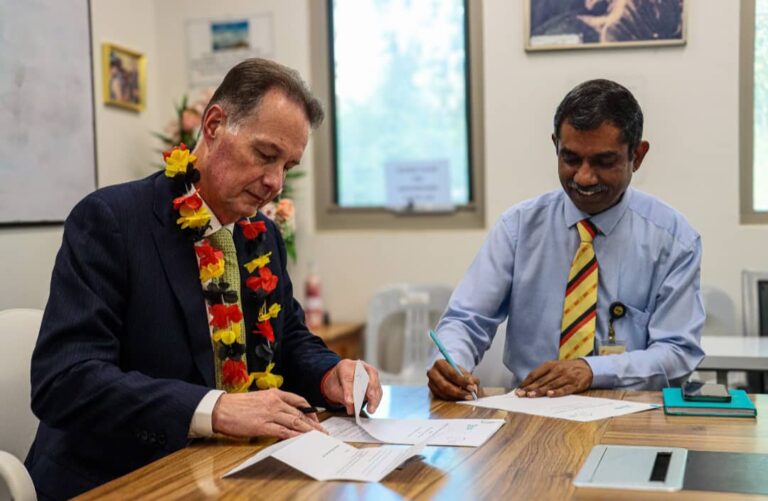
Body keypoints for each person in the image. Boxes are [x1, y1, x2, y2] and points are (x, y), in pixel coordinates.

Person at [26, 58, 383, 500]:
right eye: (266, 155)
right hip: (116, 478)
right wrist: (216, 409)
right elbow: (65, 381)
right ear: (214, 124)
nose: (275, 182)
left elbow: (287, 339)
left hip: (224, 472)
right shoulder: (112, 221)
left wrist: (330, 372)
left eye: (288, 166)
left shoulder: (263, 233)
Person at [427, 79, 704, 401]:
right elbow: (467, 319)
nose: (584, 178)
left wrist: (592, 369)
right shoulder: (518, 228)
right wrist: (450, 363)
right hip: (530, 406)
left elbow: (678, 351)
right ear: (555, 146)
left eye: (604, 162)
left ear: (637, 156)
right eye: (570, 159)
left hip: (631, 410)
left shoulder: (674, 240)